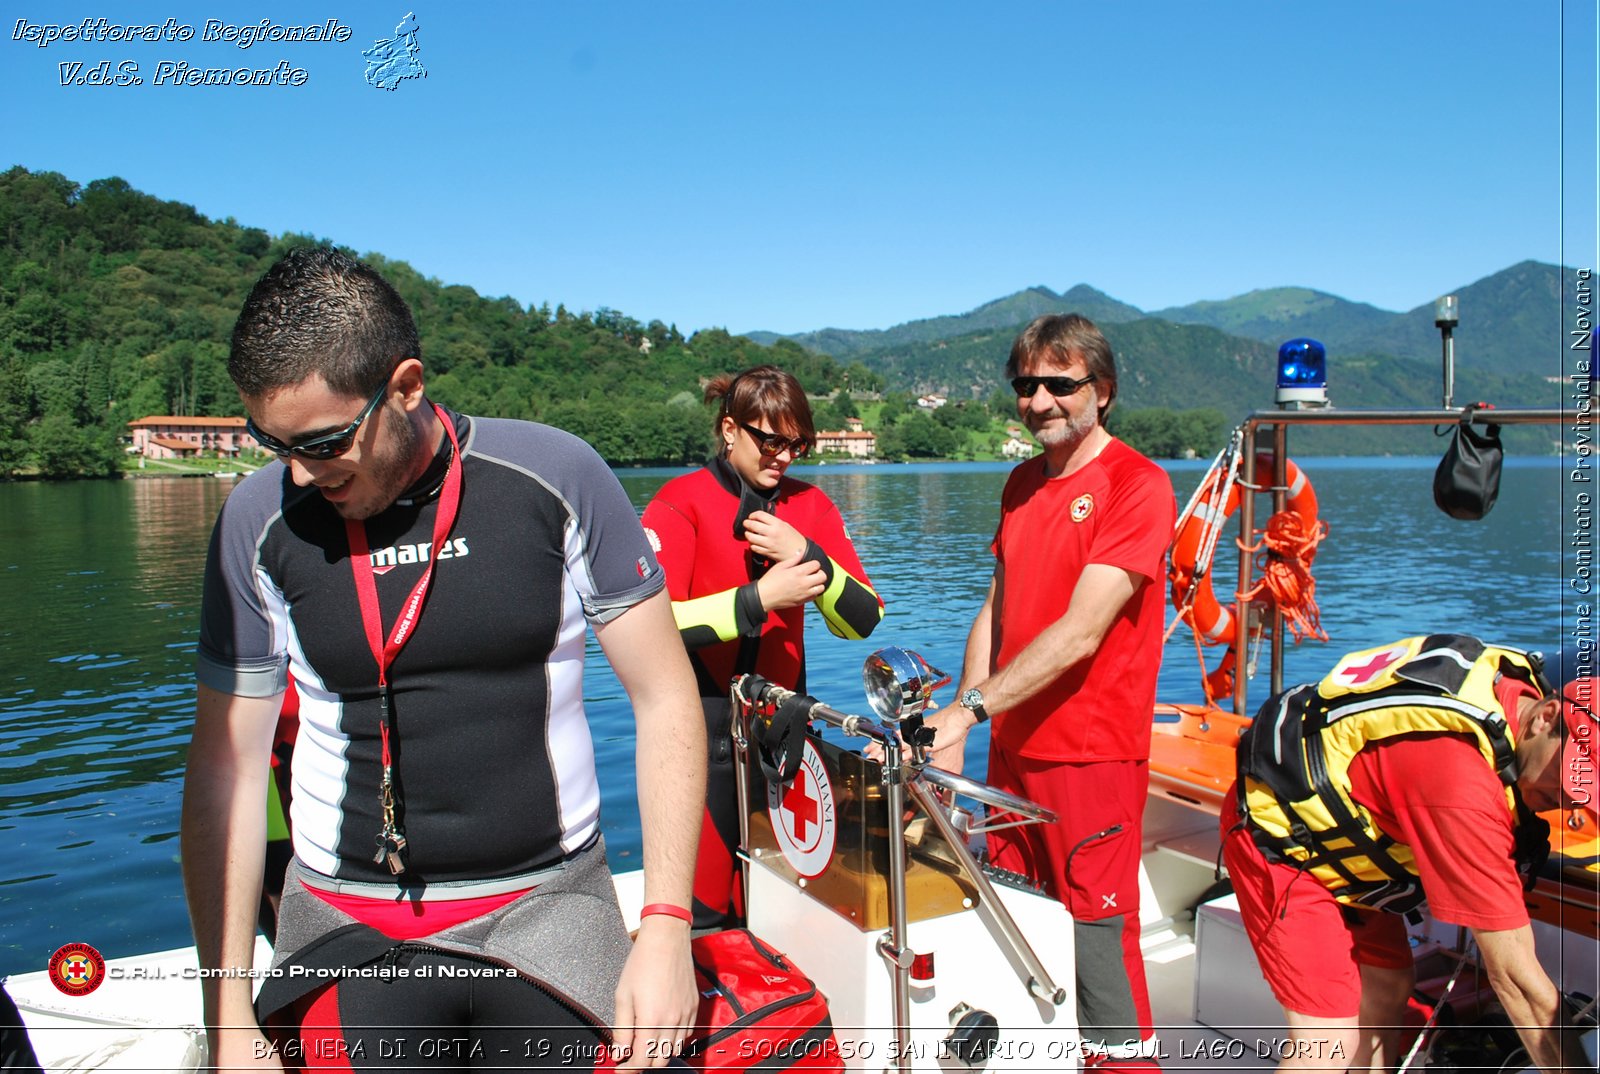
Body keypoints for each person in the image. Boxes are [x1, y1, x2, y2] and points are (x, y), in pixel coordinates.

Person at [180, 247, 705, 1071]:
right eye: (272, 441)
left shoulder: (555, 475)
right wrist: (227, 1016)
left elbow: (665, 699)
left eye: (322, 442)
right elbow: (227, 770)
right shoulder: (257, 521)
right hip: (345, 921)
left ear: (407, 387)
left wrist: (668, 924)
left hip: (550, 901)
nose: (298, 473)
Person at [924, 314, 1175, 1069]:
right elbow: (996, 610)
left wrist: (968, 706)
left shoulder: (1138, 484)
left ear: (1103, 390)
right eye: (1026, 384)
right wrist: (963, 724)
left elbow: (1081, 632)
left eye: (1059, 384)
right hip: (1012, 750)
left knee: (1098, 935)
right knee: (1018, 920)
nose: (1038, 400)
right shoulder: (1021, 481)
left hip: (1092, 759)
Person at [1222, 634, 1597, 1072]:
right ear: (1547, 717)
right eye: (1571, 778)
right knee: (1327, 1038)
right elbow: (1516, 980)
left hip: (1358, 831)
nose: (1571, 802)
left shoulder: (1517, 693)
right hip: (1281, 837)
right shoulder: (1459, 785)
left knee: (1389, 984)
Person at [641, 366, 883, 928]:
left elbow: (862, 621)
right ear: (730, 429)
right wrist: (759, 598)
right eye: (770, 440)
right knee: (701, 912)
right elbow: (652, 628)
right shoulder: (682, 502)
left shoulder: (811, 508)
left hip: (784, 731)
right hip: (698, 733)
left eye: (797, 443)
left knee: (785, 909)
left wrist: (811, 556)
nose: (784, 456)